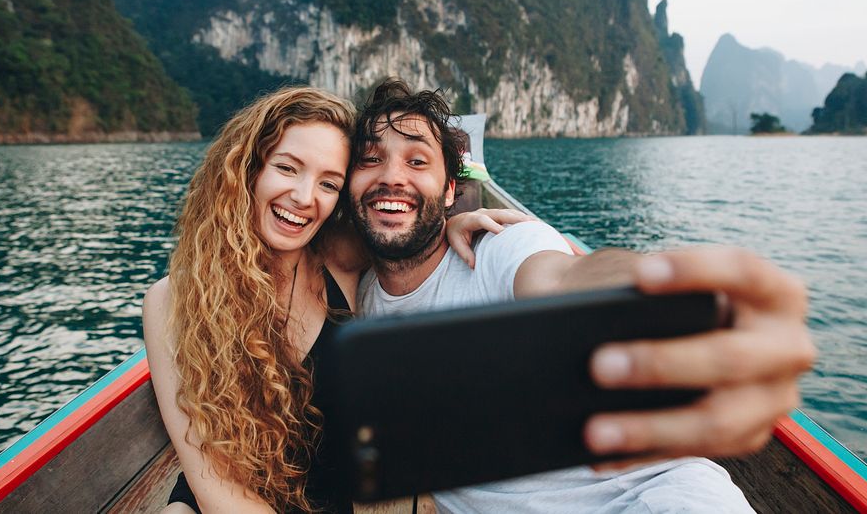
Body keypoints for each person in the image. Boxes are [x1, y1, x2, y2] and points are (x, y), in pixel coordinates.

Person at [349, 79, 817, 512]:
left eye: (417, 161)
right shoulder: (356, 295)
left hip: (651, 497)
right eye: (370, 159)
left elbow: (564, 277)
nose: (392, 176)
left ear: (451, 190)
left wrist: (674, 294)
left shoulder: (500, 247)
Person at [143, 85, 522, 513]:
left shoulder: (339, 257)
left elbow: (411, 231)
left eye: (329, 183)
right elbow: (216, 487)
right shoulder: (174, 300)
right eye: (287, 168)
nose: (304, 198)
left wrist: (456, 223)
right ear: (247, 168)